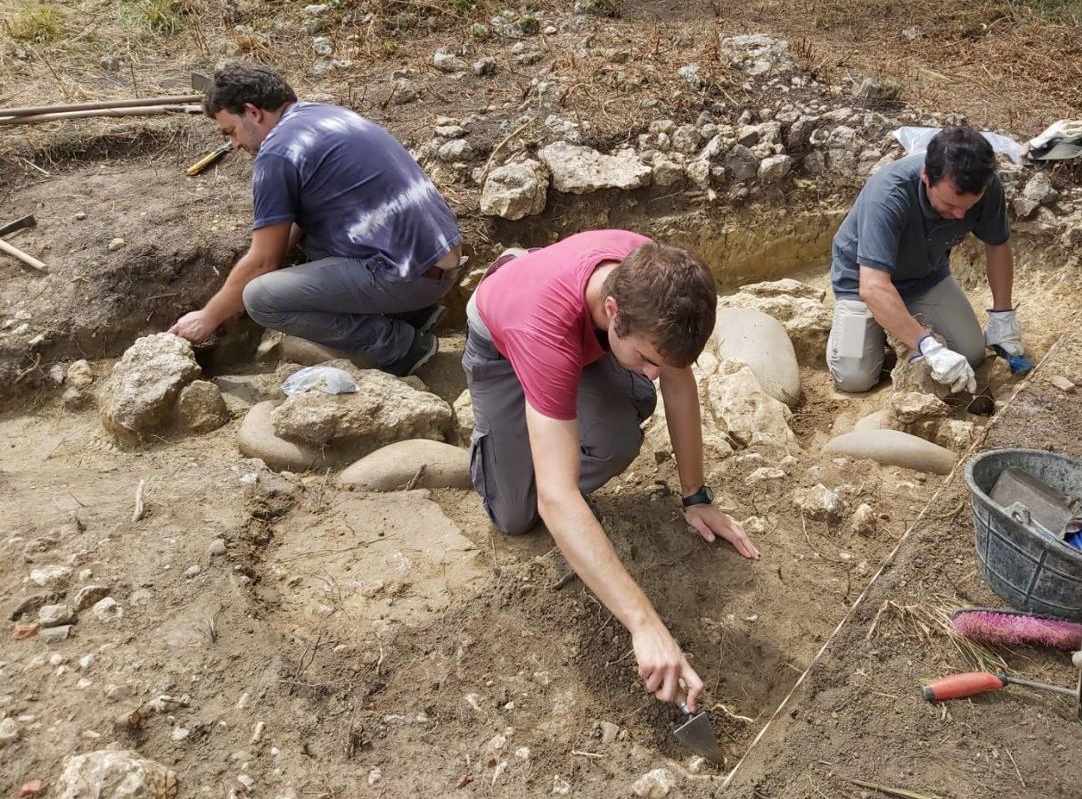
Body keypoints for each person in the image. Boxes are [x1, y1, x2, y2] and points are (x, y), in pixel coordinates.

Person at [463, 230, 759, 711]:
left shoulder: (656, 280)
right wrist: (645, 624)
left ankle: (554, 426)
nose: (655, 373)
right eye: (647, 360)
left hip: (577, 325)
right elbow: (556, 497)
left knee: (618, 441)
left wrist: (696, 497)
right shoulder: (544, 332)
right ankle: (503, 448)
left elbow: (679, 384)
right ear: (614, 312)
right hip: (507, 333)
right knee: (518, 516)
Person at [170, 63, 463, 376]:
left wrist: (209, 316)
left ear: (253, 112)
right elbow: (291, 231)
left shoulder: (277, 153)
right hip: (439, 262)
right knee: (312, 236)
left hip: (412, 276)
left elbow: (262, 263)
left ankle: (400, 347)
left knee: (258, 298)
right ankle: (414, 314)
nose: (235, 145)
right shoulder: (321, 115)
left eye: (231, 131)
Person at [826, 126, 1024, 393]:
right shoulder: (888, 194)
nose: (958, 215)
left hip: (924, 277)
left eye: (968, 207)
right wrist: (927, 347)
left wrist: (1003, 315)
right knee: (853, 378)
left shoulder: (987, 187)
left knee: (971, 354)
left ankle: (901, 324)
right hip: (861, 283)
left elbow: (997, 245)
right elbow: (873, 286)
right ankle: (883, 330)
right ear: (926, 177)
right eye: (950, 204)